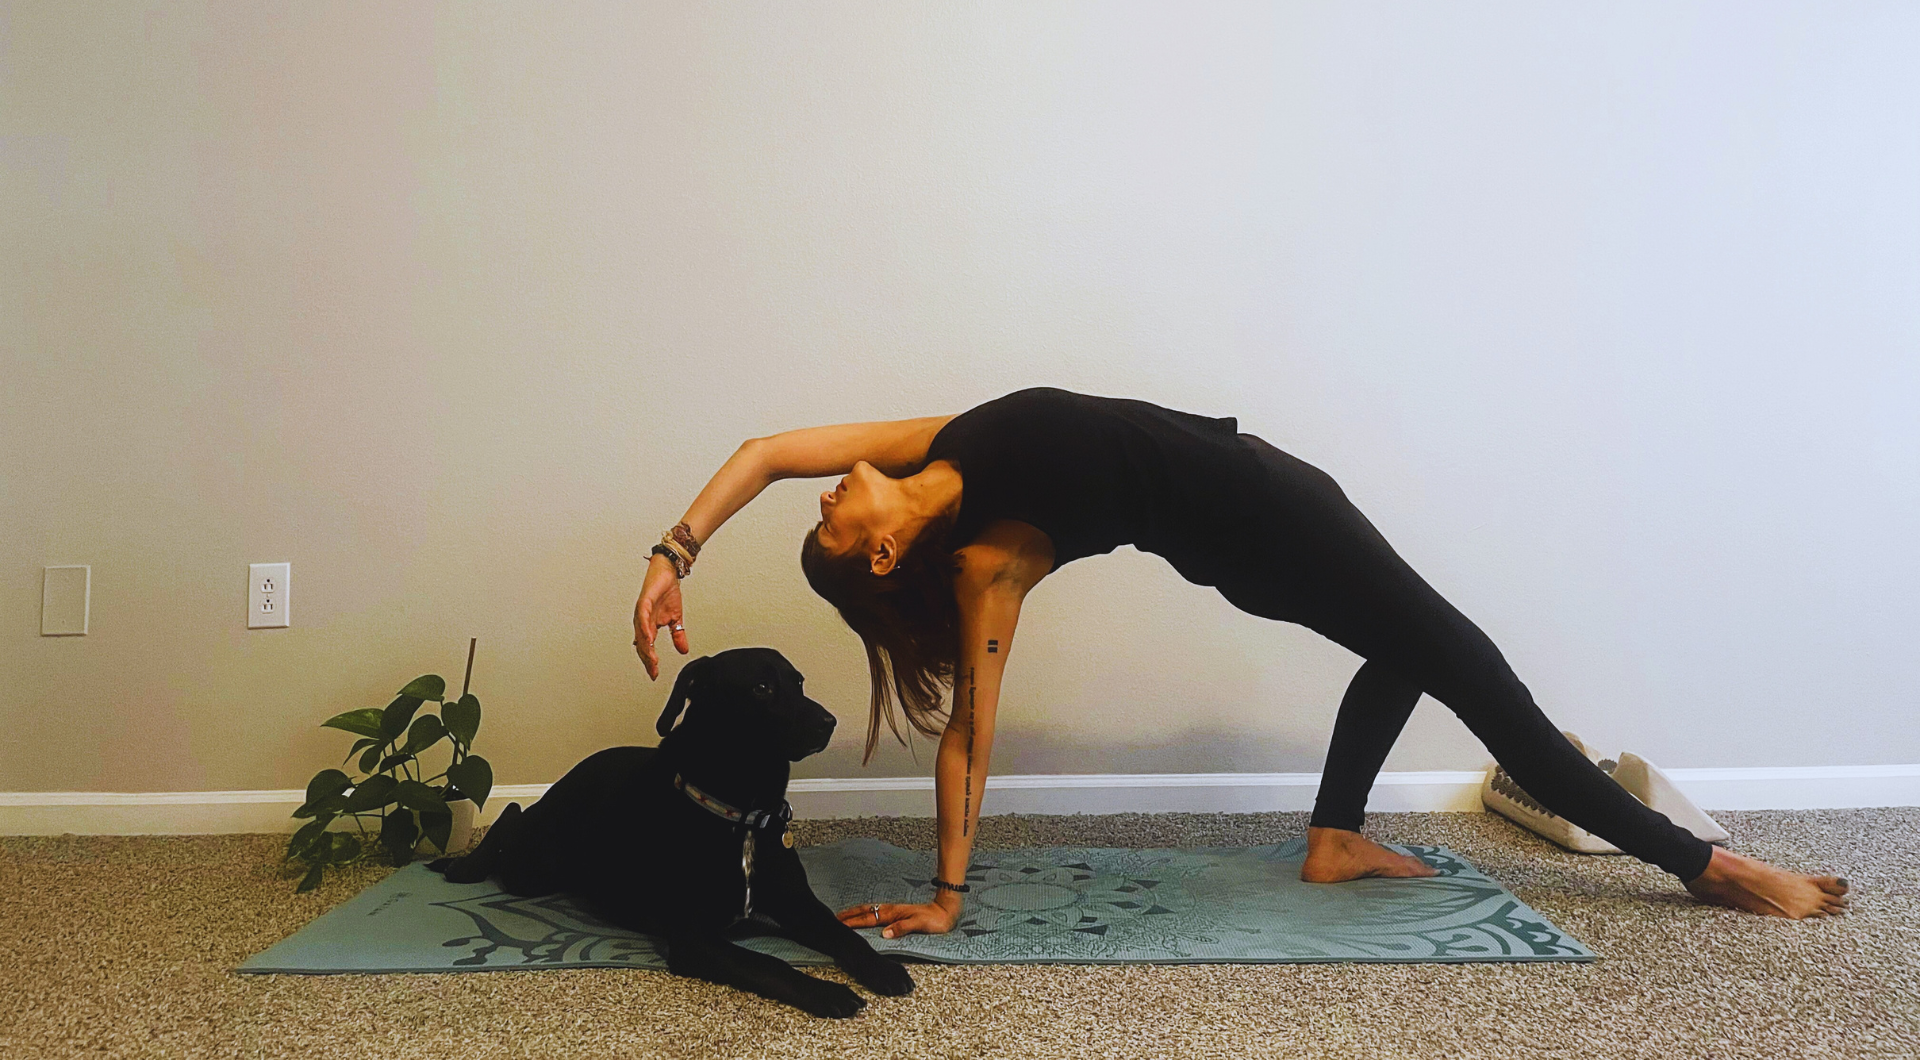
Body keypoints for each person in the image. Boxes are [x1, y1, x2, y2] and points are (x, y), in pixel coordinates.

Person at [633, 386, 1849, 936]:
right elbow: (972, 732)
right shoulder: (988, 561)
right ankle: (1708, 867)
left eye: (827, 507)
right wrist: (950, 898)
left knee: (1414, 650)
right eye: (833, 523)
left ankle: (1332, 838)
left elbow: (765, 445)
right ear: (886, 553)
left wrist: (675, 551)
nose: (831, 493)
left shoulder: (939, 442)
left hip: (1281, 497)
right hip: (1278, 542)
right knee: (1485, 679)